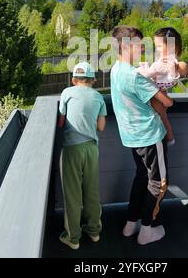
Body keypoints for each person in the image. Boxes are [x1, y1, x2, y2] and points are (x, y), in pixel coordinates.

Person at [110, 26, 174, 245]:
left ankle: (131, 224)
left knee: (141, 177)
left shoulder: (116, 69)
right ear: (126, 46)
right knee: (159, 182)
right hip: (149, 136)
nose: (142, 48)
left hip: (131, 137)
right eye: (138, 44)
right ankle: (147, 229)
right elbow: (167, 102)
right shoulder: (135, 77)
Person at [58, 62, 107, 250]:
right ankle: (94, 231)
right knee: (91, 190)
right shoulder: (99, 97)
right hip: (92, 149)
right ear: (93, 80)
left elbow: (62, 122)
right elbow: (101, 127)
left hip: (72, 148)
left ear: (74, 80)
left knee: (72, 194)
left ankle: (73, 237)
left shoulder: (67, 93)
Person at [137, 27, 188, 145]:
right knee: (162, 116)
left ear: (171, 46)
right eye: (156, 46)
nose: (157, 49)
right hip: (161, 90)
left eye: (160, 46)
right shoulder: (167, 60)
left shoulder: (167, 62)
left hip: (159, 89)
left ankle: (168, 138)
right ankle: (170, 138)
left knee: (161, 115)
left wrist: (142, 70)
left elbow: (152, 72)